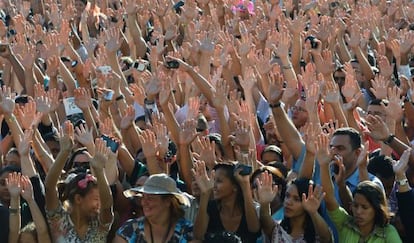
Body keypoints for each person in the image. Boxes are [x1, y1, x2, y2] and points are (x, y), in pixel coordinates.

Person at [317, 134, 402, 242]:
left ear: (377, 208)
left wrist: (362, 168)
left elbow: (368, 193)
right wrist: (324, 165)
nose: (358, 211)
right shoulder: (345, 225)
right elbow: (329, 199)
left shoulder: (388, 233)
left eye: (364, 207)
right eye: (355, 206)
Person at [45, 123, 114, 242]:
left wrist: (99, 171)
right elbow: (49, 187)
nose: (99, 204)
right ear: (78, 199)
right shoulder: (59, 219)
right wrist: (64, 152)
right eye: (96, 199)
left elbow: (107, 205)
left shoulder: (99, 223)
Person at [113, 173, 194, 243]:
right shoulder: (129, 230)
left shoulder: (187, 232)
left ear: (168, 202)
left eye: (150, 198)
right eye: (143, 197)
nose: (144, 202)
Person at [193, 161, 260, 242]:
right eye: (213, 180)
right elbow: (198, 236)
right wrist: (205, 193)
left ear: (235, 187)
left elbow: (254, 229)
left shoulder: (249, 207)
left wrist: (245, 185)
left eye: (219, 181)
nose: (213, 185)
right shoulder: (211, 207)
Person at [256, 172, 333, 242]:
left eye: (296, 199)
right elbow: (264, 219)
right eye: (287, 196)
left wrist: (313, 212)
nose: (288, 202)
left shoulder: (317, 234)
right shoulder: (277, 230)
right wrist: (265, 203)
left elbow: (326, 238)